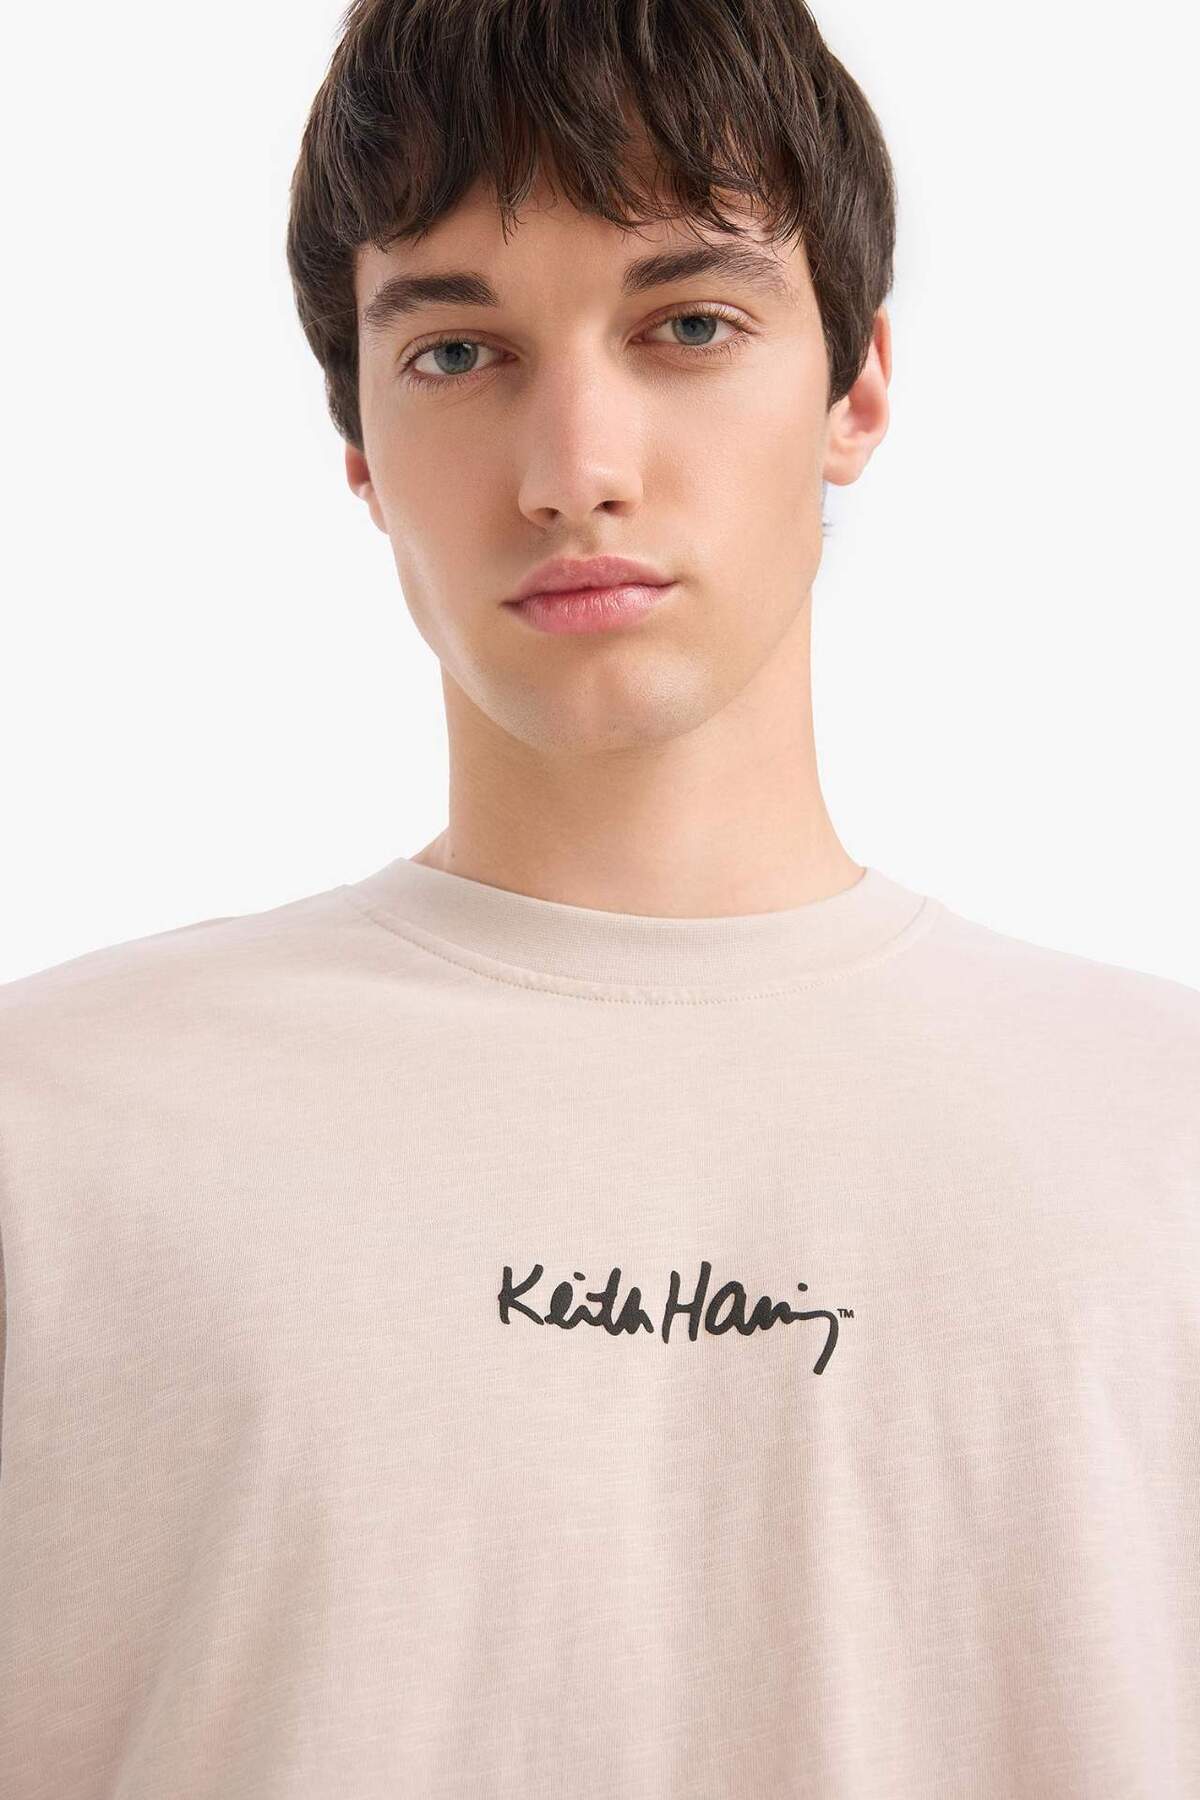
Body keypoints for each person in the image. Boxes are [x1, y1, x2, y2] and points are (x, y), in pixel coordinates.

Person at [1, 0, 1197, 1794]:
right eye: (456, 353)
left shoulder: (1166, 1147)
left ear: (857, 388)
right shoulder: (49, 1145)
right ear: (357, 453)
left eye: (688, 324)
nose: (575, 470)